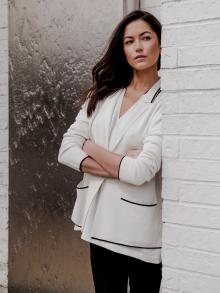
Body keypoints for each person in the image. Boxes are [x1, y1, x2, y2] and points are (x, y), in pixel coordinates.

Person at [58, 10, 162, 293]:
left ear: (160, 44)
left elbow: (141, 171)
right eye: (129, 41)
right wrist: (121, 164)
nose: (138, 47)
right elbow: (66, 150)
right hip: (100, 222)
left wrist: (90, 147)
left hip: (141, 234)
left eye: (146, 38)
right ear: (123, 50)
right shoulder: (102, 94)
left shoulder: (165, 100)